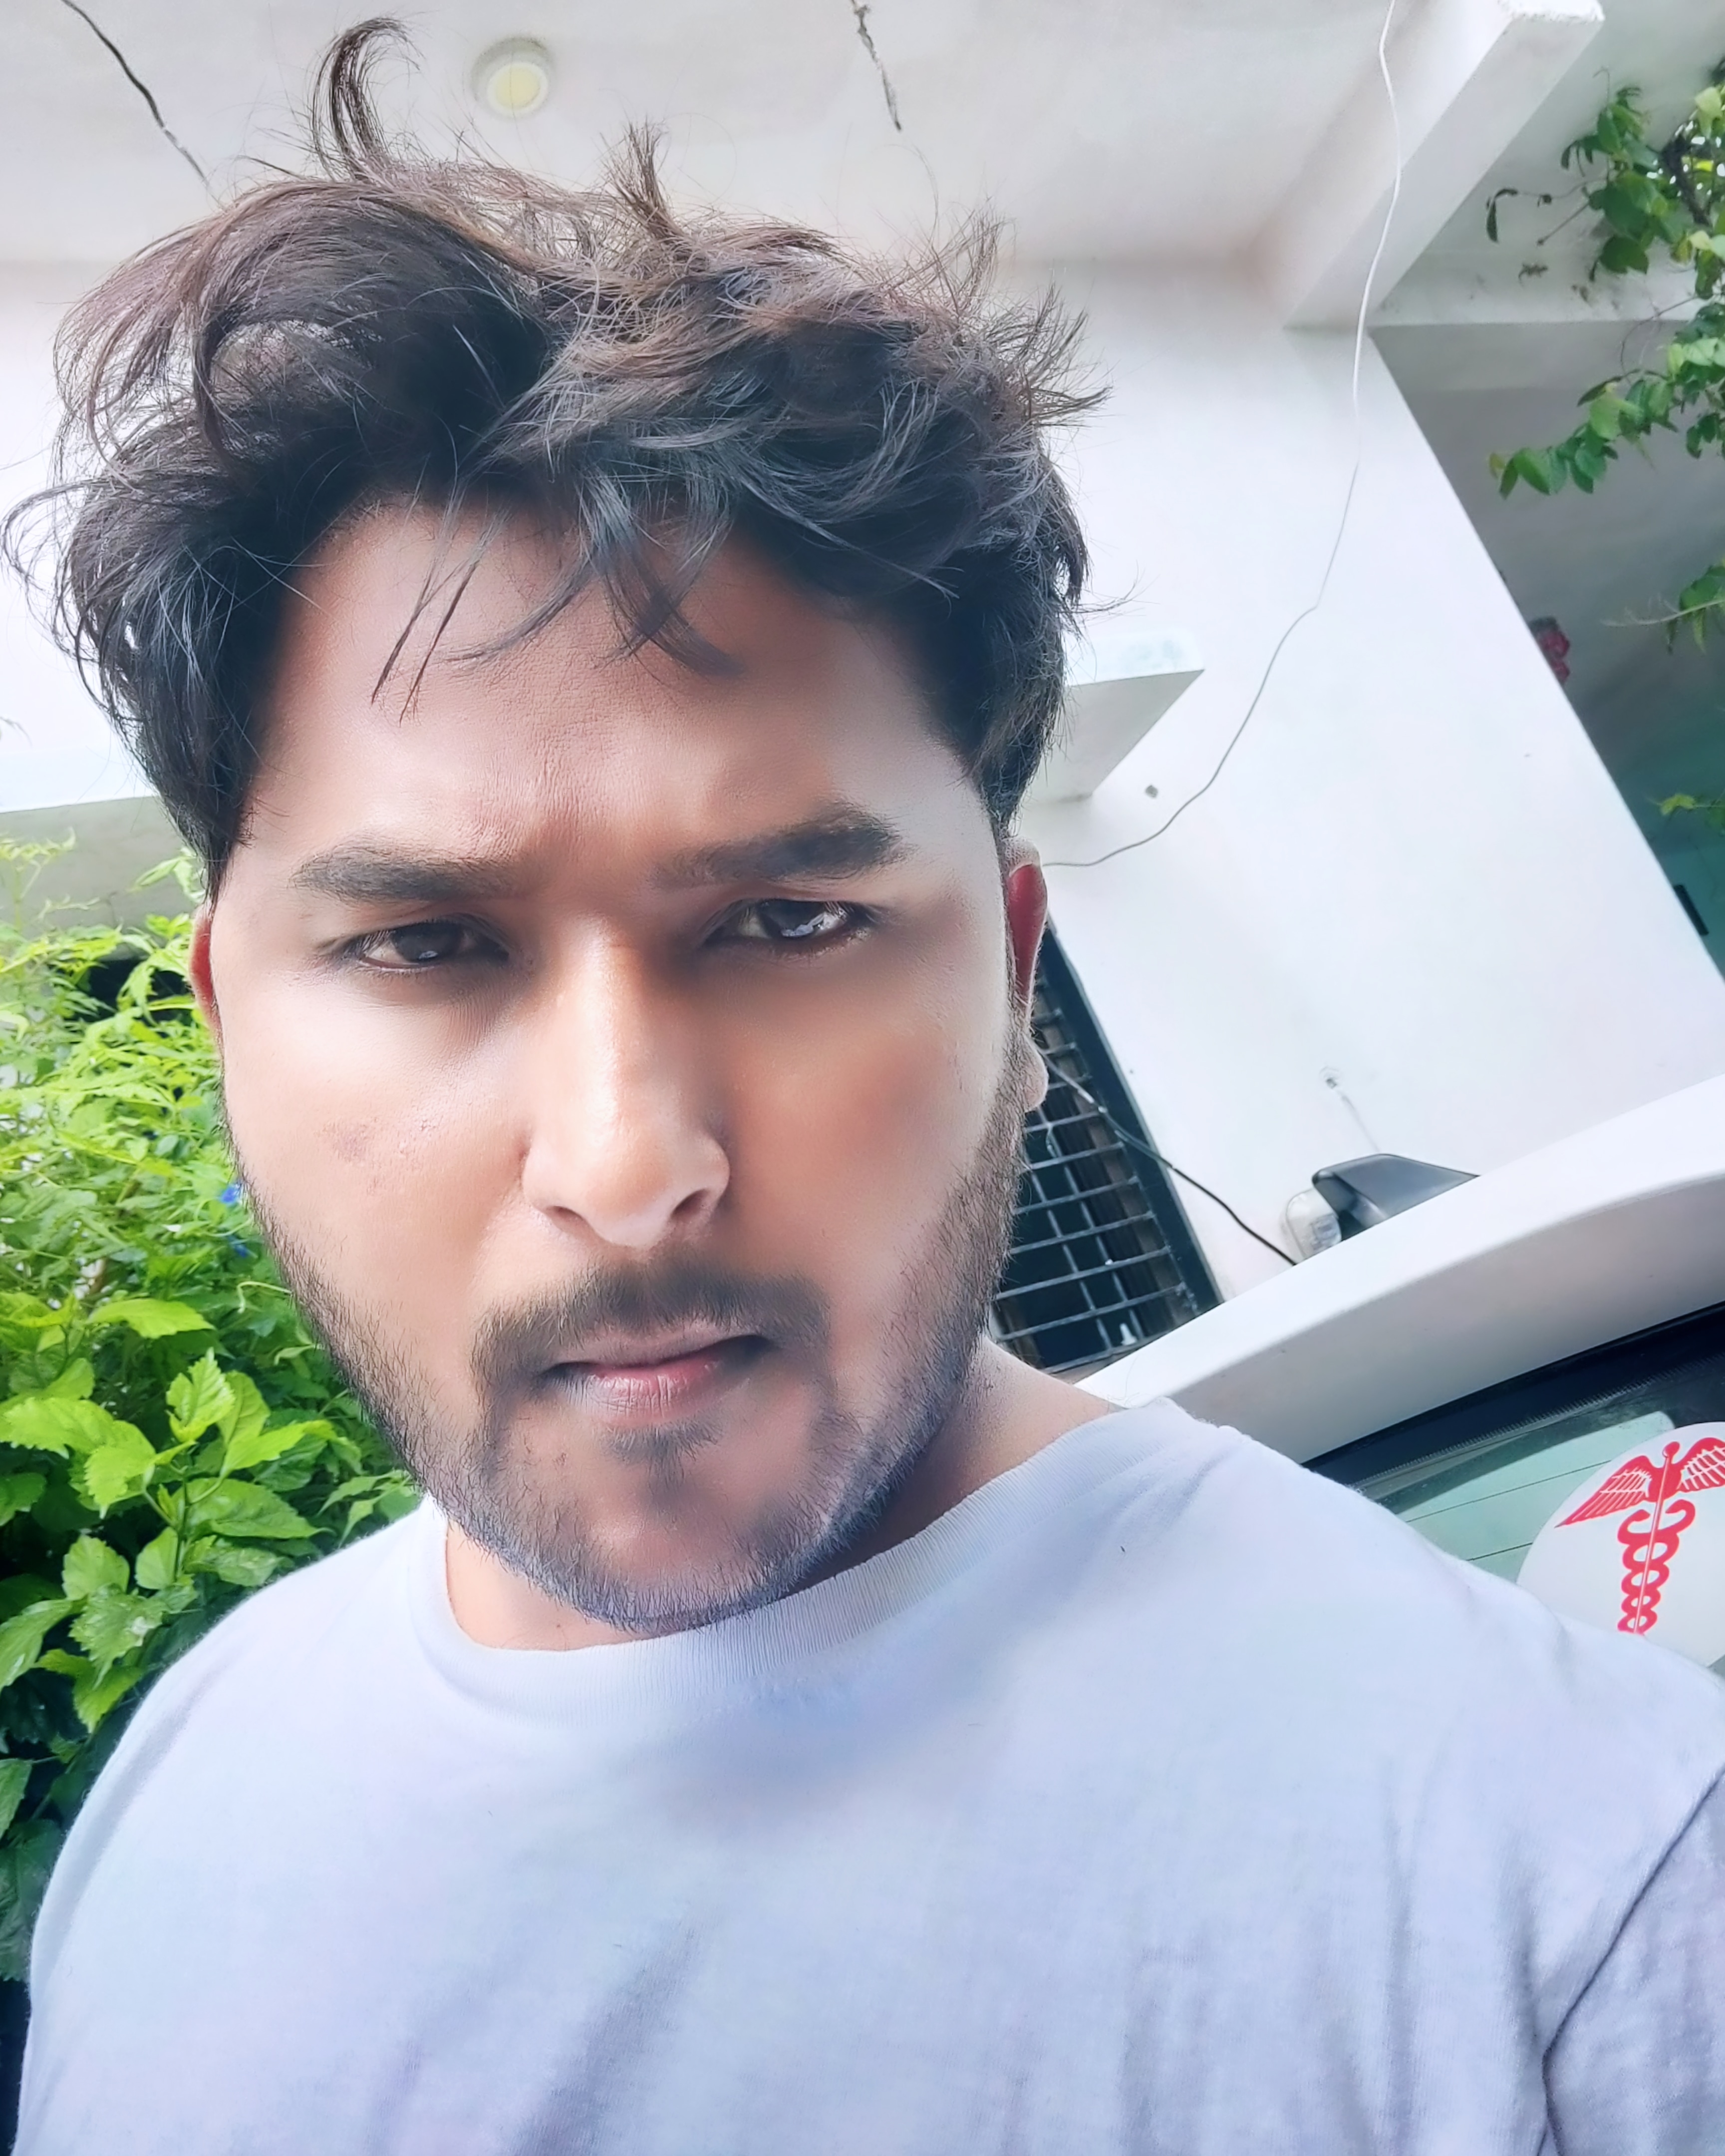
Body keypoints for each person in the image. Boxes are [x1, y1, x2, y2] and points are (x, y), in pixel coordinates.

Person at [14, 25, 1725, 2155]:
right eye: (427, 946)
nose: (626, 1162)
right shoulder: (190, 1780)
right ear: (224, 1021)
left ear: (1012, 976)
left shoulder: (1593, 1896)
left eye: (792, 920)